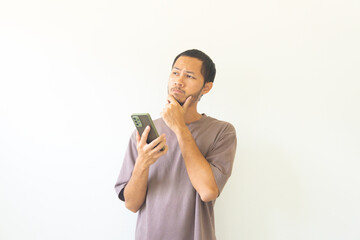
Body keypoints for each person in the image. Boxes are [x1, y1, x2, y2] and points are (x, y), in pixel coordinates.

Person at [114, 49, 237, 240]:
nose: (179, 81)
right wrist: (143, 163)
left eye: (189, 76)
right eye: (175, 72)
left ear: (206, 87)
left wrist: (179, 127)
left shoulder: (222, 132)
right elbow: (131, 204)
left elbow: (207, 191)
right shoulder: (145, 132)